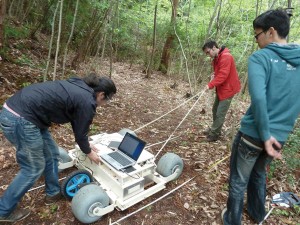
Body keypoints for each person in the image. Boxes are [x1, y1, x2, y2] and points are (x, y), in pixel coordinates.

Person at [0, 73, 117, 223]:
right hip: (21, 120)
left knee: (52, 154)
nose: (106, 103)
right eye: (108, 99)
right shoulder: (87, 101)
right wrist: (88, 152)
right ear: (101, 94)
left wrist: (85, 143)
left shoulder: (79, 86)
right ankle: (3, 211)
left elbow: (78, 123)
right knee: (33, 168)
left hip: (26, 114)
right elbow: (80, 129)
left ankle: (53, 193)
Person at [222, 9, 300, 225]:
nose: (256, 41)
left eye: (257, 35)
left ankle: (232, 220)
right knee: (259, 174)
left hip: (255, 134)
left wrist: (265, 135)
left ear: (271, 32)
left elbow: (259, 100)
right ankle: (257, 214)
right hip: (279, 137)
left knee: (238, 180)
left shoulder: (261, 57)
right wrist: (274, 135)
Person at [202, 41, 241, 142]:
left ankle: (214, 134)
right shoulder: (216, 59)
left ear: (214, 48)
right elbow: (218, 73)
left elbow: (223, 75)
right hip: (221, 88)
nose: (208, 55)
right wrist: (213, 77)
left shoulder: (226, 57)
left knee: (220, 113)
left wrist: (210, 85)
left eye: (208, 52)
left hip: (229, 89)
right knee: (215, 109)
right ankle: (215, 129)